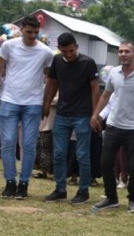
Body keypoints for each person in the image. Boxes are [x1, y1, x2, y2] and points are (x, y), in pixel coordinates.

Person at [0, 15, 54, 199]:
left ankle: (24, 183)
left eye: (36, 32)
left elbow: (50, 79)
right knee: (8, 142)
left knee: (28, 144)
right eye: (29, 32)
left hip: (33, 103)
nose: (32, 35)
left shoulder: (46, 52)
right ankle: (10, 182)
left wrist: (46, 102)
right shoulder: (8, 46)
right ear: (21, 29)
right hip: (9, 100)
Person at [89, 42, 134, 212]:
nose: (123, 54)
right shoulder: (113, 73)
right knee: (106, 163)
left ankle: (133, 200)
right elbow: (105, 96)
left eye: (127, 51)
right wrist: (95, 115)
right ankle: (111, 197)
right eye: (120, 51)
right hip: (113, 125)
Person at [42, 32, 100, 205]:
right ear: (59, 49)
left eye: (71, 51)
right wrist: (46, 104)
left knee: (82, 155)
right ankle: (60, 189)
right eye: (65, 51)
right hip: (62, 114)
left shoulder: (88, 63)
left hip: (83, 115)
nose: (68, 54)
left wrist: (95, 114)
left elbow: (95, 88)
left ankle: (83, 191)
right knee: (59, 154)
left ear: (77, 47)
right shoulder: (57, 61)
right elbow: (52, 83)